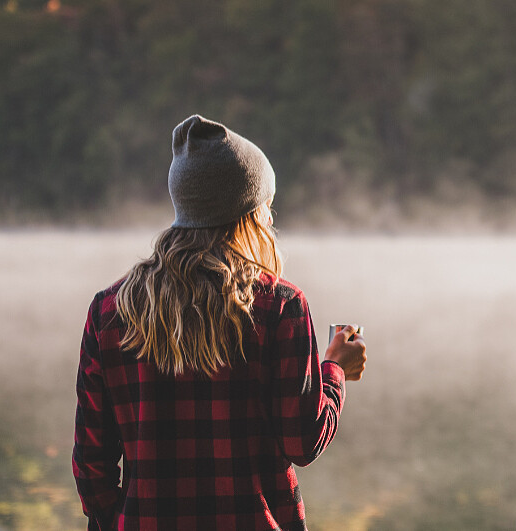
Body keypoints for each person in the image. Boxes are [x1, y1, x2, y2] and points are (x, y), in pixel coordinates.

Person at [73, 114, 366, 531]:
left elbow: (92, 467)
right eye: (266, 204)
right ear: (248, 212)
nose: (269, 216)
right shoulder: (280, 306)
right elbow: (303, 440)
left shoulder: (110, 311)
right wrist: (335, 367)